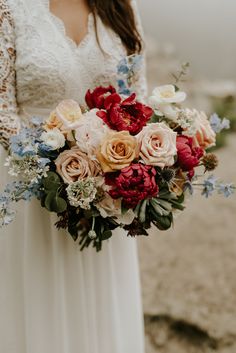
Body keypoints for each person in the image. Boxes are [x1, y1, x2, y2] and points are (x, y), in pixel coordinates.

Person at [0, 0, 147, 352]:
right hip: (33, 192)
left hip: (105, 193)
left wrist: (115, 170)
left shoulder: (122, 6)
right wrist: (52, 169)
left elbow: (137, 96)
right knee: (38, 298)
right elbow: (3, 106)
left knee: (100, 308)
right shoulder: (10, 7)